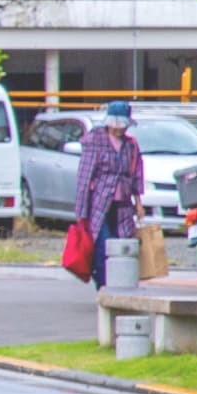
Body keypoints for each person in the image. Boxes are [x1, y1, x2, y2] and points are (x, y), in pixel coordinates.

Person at [72, 99, 146, 288]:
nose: (119, 129)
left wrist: (138, 204)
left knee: (122, 246)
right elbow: (84, 177)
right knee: (103, 245)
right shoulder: (95, 140)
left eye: (123, 125)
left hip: (122, 206)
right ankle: (103, 286)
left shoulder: (131, 144)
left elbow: (136, 174)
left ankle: (118, 286)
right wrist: (81, 213)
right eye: (116, 125)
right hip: (99, 205)